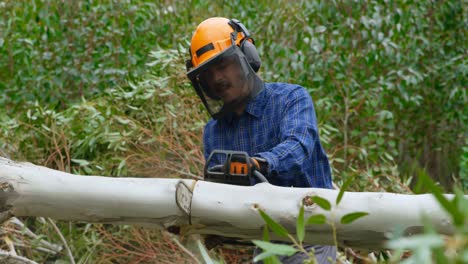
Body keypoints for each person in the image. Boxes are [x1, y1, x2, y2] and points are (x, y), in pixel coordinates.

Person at [186, 17, 336, 264]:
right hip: (265, 242)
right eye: (207, 74)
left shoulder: (291, 99)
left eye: (222, 65)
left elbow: (299, 146)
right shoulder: (214, 132)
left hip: (312, 231)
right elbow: (221, 195)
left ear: (247, 54)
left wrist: (259, 164)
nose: (217, 79)